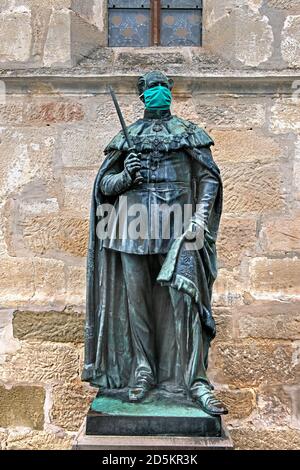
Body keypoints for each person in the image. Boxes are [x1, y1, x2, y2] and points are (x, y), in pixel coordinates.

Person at [82, 70, 228, 416]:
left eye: (164, 86)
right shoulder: (127, 136)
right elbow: (105, 187)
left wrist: (199, 219)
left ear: (171, 92)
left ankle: (195, 380)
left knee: (185, 301)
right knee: (136, 305)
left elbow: (208, 179)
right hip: (129, 228)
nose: (159, 91)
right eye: (152, 86)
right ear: (141, 93)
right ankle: (143, 370)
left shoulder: (190, 134)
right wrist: (126, 176)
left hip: (178, 226)